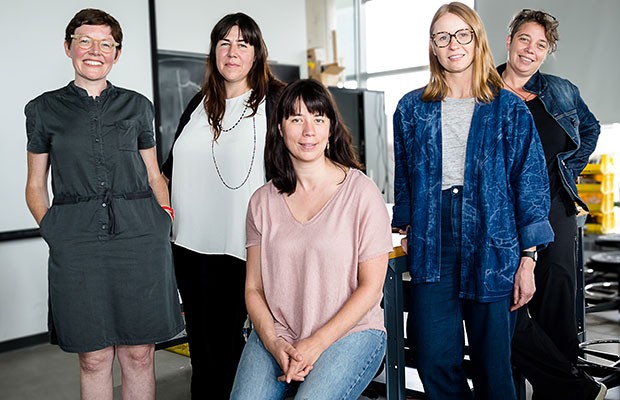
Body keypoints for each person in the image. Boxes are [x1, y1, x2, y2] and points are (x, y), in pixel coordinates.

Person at [391, 3, 555, 399]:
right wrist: (407, 224)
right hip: (434, 240)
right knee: (432, 357)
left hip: (492, 238)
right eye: (442, 36)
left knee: (493, 365)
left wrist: (528, 259)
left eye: (462, 34)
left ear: (477, 39)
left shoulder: (509, 108)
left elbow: (530, 185)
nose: (453, 44)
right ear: (433, 46)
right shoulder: (412, 108)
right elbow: (404, 176)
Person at [24, 8, 184, 399]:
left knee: (139, 354)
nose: (95, 51)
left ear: (117, 53)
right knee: (93, 358)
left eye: (105, 44)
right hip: (76, 244)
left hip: (140, 237)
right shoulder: (43, 109)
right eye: (85, 41)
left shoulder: (137, 106)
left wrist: (164, 218)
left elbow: (153, 175)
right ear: (68, 47)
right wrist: (56, 231)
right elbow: (34, 184)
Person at [229, 78, 393, 399]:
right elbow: (253, 288)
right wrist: (275, 342)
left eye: (318, 119)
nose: (308, 131)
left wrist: (315, 344)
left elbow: (371, 287)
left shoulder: (361, 192)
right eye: (296, 119)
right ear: (279, 127)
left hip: (351, 333)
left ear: (330, 129)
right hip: (278, 334)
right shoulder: (262, 202)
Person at [161, 12, 285, 399]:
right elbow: (168, 170)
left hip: (242, 245)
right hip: (188, 245)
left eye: (243, 43)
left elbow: (299, 165)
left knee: (230, 348)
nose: (233, 52)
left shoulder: (276, 100)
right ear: (214, 51)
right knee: (201, 348)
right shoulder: (200, 103)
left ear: (256, 53)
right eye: (224, 43)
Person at [497, 9, 605, 400]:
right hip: (502, 210)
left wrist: (567, 169)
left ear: (547, 53)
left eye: (541, 45)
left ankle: (557, 392)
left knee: (556, 297)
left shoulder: (560, 90)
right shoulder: (481, 91)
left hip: (554, 204)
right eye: (525, 39)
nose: (531, 50)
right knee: (506, 303)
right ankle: (548, 387)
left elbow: (589, 128)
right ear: (509, 40)